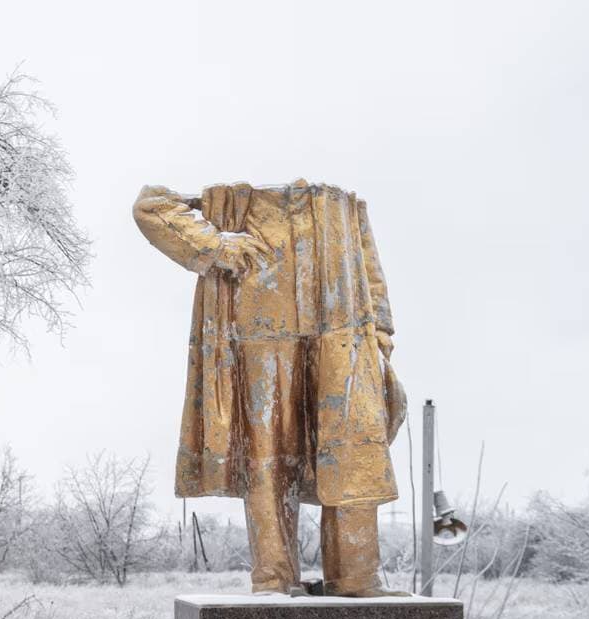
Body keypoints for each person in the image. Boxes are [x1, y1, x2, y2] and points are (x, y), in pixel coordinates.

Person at [134, 180, 408, 596]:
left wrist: (381, 334)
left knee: (354, 452)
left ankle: (356, 579)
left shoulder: (343, 206)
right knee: (267, 456)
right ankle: (274, 579)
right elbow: (151, 204)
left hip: (342, 329)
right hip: (260, 329)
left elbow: (368, 265)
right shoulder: (240, 199)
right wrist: (217, 246)